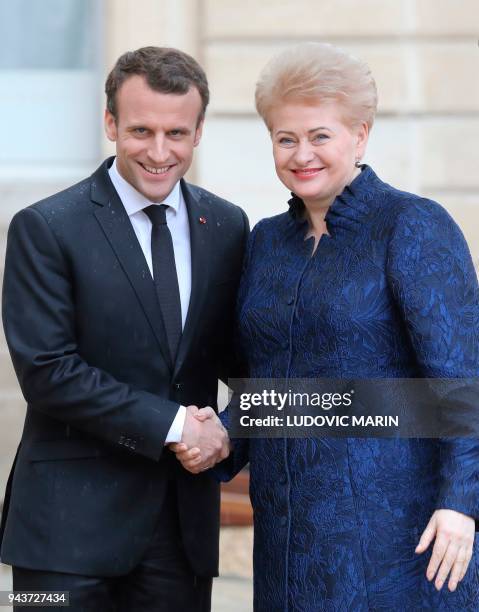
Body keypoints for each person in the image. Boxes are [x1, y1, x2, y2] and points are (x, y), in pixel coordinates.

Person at [172, 43, 479, 610]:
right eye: (285, 138)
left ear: (359, 136)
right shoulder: (266, 241)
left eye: (320, 136)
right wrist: (219, 438)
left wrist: (461, 504)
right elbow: (271, 382)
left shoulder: (413, 226)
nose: (301, 154)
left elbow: (462, 381)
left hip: (400, 530)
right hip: (288, 531)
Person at [0, 46, 248, 611]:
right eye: (141, 130)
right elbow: (48, 371)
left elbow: (244, 360)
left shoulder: (228, 226)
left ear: (199, 131)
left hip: (180, 532)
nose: (159, 153)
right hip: (64, 532)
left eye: (177, 134)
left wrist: (226, 433)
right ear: (110, 123)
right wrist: (178, 425)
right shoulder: (47, 227)